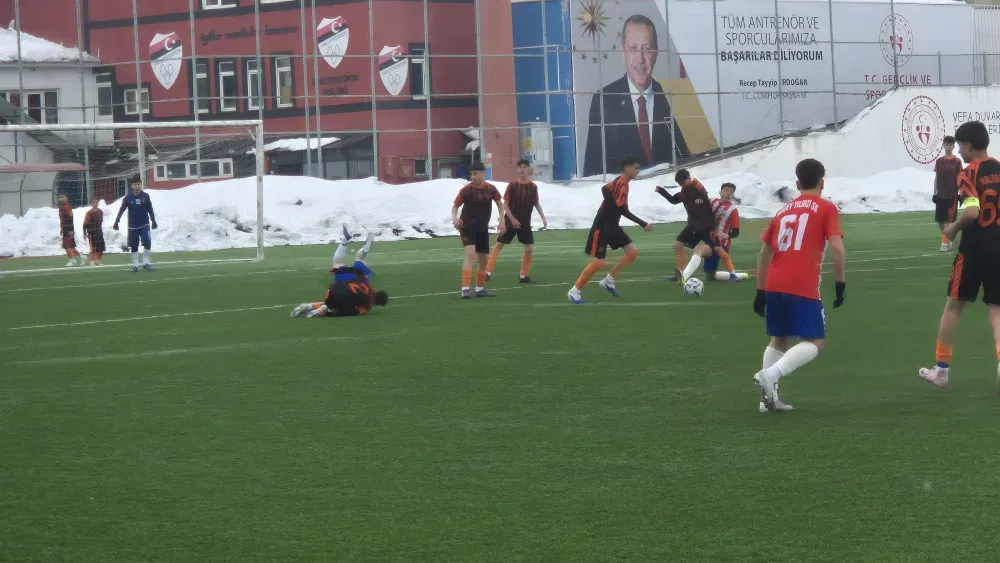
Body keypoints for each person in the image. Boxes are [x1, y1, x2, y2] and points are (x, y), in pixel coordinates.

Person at [752, 158, 847, 412]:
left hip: (774, 282)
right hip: (802, 283)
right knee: (815, 342)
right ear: (822, 183)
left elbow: (764, 252)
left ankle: (767, 400)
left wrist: (760, 289)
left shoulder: (783, 211)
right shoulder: (825, 208)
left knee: (778, 339)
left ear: (797, 184)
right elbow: (837, 247)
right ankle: (769, 376)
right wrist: (841, 283)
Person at [918, 121, 1000, 391]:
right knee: (997, 309)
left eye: (961, 147)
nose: (960, 152)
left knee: (953, 307)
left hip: (974, 249)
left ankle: (941, 371)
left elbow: (972, 212)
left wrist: (952, 229)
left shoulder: (967, 174)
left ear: (967, 145)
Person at [582, 14, 688, 177]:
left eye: (646, 49)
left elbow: (686, 162)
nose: (640, 59)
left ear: (656, 53)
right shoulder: (604, 100)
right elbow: (593, 173)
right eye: (633, 48)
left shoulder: (672, 97)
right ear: (623, 51)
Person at [568, 154, 654, 304]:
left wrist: (610, 200)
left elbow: (605, 189)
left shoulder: (622, 183)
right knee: (599, 262)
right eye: (635, 168)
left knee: (632, 252)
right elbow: (623, 210)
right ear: (626, 168)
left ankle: (608, 280)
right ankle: (574, 291)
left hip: (613, 225)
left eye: (638, 168)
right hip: (602, 225)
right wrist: (643, 223)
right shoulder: (621, 184)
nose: (638, 171)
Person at [451, 161, 514, 299]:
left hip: (482, 228)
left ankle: (479, 289)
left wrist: (502, 221)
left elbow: (500, 204)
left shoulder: (491, 189)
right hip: (467, 227)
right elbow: (455, 206)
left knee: (484, 260)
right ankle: (465, 289)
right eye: (471, 174)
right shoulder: (466, 190)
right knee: (470, 255)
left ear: (483, 173)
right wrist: (454, 218)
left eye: (475, 173)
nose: (473, 177)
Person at [485, 159, 548, 283]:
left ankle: (523, 276)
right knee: (499, 244)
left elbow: (536, 203)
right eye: (520, 167)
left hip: (525, 222)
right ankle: (487, 272)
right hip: (510, 221)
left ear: (528, 169)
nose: (522, 169)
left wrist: (543, 217)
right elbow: (505, 204)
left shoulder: (533, 187)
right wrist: (512, 219)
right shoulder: (513, 185)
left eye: (525, 167)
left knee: (529, 248)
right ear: (518, 169)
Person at [655, 169, 721, 285]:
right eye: (680, 184)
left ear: (689, 178)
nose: (682, 185)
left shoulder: (697, 186)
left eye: (683, 182)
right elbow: (673, 200)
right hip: (693, 225)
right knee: (677, 245)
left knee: (714, 250)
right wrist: (661, 191)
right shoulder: (683, 193)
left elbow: (704, 194)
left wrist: (701, 197)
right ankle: (681, 273)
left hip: (706, 226)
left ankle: (713, 270)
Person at [703, 182, 749, 282]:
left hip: (722, 244)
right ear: (720, 192)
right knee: (710, 275)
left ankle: (684, 274)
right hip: (709, 240)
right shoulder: (712, 201)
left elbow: (735, 232)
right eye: (726, 190)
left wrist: (727, 235)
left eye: (731, 192)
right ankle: (740, 275)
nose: (728, 193)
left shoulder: (733, 210)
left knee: (700, 252)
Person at [113, 176, 157, 272]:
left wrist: (153, 221)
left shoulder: (145, 196)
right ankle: (135, 265)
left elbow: (150, 209)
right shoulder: (128, 197)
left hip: (144, 224)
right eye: (135, 184)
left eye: (139, 184)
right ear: (131, 186)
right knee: (134, 245)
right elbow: (121, 210)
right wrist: (116, 221)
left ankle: (145, 263)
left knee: (147, 242)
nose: (137, 186)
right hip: (132, 226)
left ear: (141, 185)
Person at [933, 135, 962, 252]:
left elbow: (961, 178)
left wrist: (960, 192)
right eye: (946, 144)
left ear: (953, 146)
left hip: (952, 195)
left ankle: (944, 243)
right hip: (940, 195)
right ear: (943, 145)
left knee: (948, 221)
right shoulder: (939, 161)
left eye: (950, 145)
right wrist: (934, 192)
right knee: (941, 222)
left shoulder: (957, 161)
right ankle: (949, 239)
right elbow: (936, 177)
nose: (948, 147)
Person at [57, 193, 84, 267]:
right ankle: (82, 257)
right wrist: (61, 228)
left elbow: (71, 218)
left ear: (66, 198)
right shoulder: (60, 208)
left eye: (63, 197)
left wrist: (71, 230)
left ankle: (72, 260)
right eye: (60, 197)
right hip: (65, 229)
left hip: (69, 229)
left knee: (66, 246)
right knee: (71, 247)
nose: (61, 199)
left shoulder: (67, 207)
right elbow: (61, 219)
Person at [82, 196, 105, 267]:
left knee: (101, 247)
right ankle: (92, 261)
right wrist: (84, 232)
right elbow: (85, 223)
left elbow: (101, 222)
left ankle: (98, 260)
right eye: (94, 202)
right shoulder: (89, 213)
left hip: (99, 231)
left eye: (96, 202)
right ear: (91, 204)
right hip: (91, 233)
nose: (95, 203)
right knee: (93, 248)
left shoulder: (100, 211)